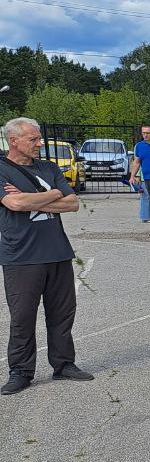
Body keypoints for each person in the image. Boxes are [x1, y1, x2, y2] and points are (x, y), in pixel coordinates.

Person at [0, 117, 92, 394]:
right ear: (13, 141)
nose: (39, 144)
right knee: (23, 317)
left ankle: (63, 364)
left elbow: (73, 203)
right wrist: (53, 194)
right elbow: (13, 203)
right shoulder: (2, 169)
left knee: (62, 314)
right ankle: (20, 371)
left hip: (57, 251)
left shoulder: (49, 167)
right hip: (21, 255)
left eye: (39, 138)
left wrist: (37, 197)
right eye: (33, 139)